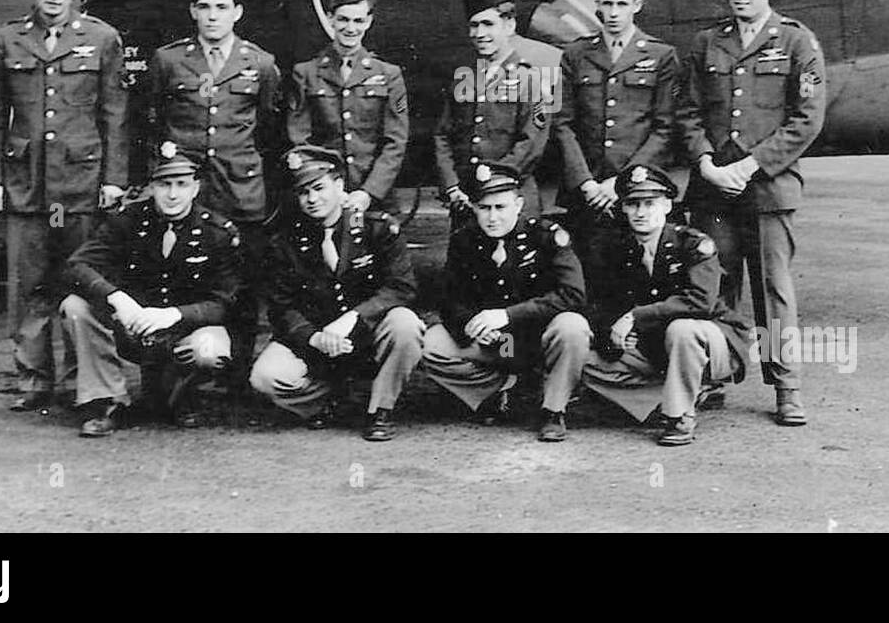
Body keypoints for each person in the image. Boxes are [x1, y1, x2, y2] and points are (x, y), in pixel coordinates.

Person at [677, 0, 827, 426]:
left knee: (773, 290)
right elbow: (688, 111)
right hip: (713, 189)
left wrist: (752, 166)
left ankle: (786, 386)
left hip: (767, 190)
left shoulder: (796, 42)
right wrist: (704, 162)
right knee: (712, 285)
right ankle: (715, 375)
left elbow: (807, 118)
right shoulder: (707, 43)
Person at [0, 0, 129, 414]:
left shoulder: (102, 39)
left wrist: (114, 179)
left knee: (80, 284)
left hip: (80, 184)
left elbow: (115, 116)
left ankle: (79, 378)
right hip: (26, 185)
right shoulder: (7, 38)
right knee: (28, 290)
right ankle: (33, 378)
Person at [147, 0, 282, 387]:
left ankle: (236, 376)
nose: (212, 17)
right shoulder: (169, 60)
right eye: (204, 8)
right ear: (192, 12)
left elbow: (271, 131)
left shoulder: (259, 63)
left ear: (237, 13)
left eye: (222, 8)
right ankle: (181, 378)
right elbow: (151, 122)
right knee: (179, 281)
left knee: (242, 287)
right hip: (186, 192)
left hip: (239, 192)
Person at [61, 144, 241, 437]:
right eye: (164, 184)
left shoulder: (217, 232)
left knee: (210, 350)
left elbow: (225, 302)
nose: (172, 194)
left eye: (181, 185)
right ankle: (107, 402)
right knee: (75, 307)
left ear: (196, 188)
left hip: (184, 330)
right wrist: (117, 298)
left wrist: (174, 315)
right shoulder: (127, 220)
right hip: (132, 325)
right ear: (151, 187)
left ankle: (182, 398)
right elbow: (75, 265)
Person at [249, 146, 423, 442]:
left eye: (319, 188)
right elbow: (281, 306)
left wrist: (354, 317)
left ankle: (380, 409)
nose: (312, 199)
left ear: (340, 185)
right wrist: (313, 337)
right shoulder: (285, 240)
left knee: (406, 325)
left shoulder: (375, 227)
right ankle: (328, 401)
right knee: (265, 377)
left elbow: (401, 287)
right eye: (304, 192)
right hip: (318, 343)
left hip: (368, 333)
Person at [582, 163, 751, 446]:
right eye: (633, 204)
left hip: (712, 344)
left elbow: (700, 302)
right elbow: (602, 303)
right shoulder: (616, 248)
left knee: (683, 329)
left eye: (650, 203)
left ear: (667, 204)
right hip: (654, 348)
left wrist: (636, 316)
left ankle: (679, 415)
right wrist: (612, 333)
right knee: (581, 359)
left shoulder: (694, 244)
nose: (641, 212)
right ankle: (672, 395)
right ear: (622, 208)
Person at [422, 162, 590, 442]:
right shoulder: (465, 239)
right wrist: (470, 325)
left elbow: (573, 295)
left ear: (519, 204)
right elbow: (450, 298)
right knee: (427, 344)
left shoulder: (547, 236)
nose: (492, 218)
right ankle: (495, 391)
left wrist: (508, 315)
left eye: (500, 208)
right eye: (483, 208)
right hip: (500, 345)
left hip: (538, 341)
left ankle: (553, 410)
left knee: (573, 327)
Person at [552, 0, 679, 280]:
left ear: (636, 6)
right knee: (587, 280)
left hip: (638, 189)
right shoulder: (575, 55)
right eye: (606, 4)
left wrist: (620, 183)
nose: (613, 13)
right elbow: (563, 124)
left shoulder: (661, 56)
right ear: (596, 6)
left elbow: (664, 127)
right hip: (587, 193)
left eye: (621, 4)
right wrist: (586, 183)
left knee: (640, 277)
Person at [285, 0, 409, 212]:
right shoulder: (306, 73)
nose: (351, 28)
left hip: (375, 198)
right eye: (343, 19)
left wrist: (368, 192)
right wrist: (330, 190)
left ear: (369, 22)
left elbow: (395, 143)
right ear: (330, 18)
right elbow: (299, 140)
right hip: (322, 197)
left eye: (358, 21)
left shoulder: (388, 75)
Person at [433, 0, 550, 225]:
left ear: (509, 26)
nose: (479, 33)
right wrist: (452, 185)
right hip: (466, 201)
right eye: (474, 25)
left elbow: (531, 143)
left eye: (488, 24)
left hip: (512, 200)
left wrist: (493, 182)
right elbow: (442, 135)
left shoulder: (533, 78)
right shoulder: (464, 76)